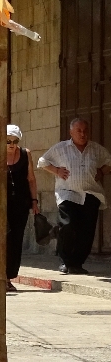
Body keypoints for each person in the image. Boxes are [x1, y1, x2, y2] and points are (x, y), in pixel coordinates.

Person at [38, 117, 111, 275]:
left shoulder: (96, 149)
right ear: (71, 132)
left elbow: (109, 161)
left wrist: (102, 171)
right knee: (68, 225)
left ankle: (77, 263)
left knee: (87, 230)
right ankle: (66, 261)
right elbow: (42, 161)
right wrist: (56, 171)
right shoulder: (61, 148)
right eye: (79, 131)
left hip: (91, 193)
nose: (82, 134)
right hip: (68, 193)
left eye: (85, 131)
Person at [5, 124, 39, 293]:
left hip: (21, 203)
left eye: (15, 141)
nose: (11, 144)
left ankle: (9, 276)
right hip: (1, 205)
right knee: (5, 238)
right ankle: (1, 276)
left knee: (16, 239)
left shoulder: (26, 154)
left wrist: (34, 201)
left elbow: (31, 179)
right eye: (8, 141)